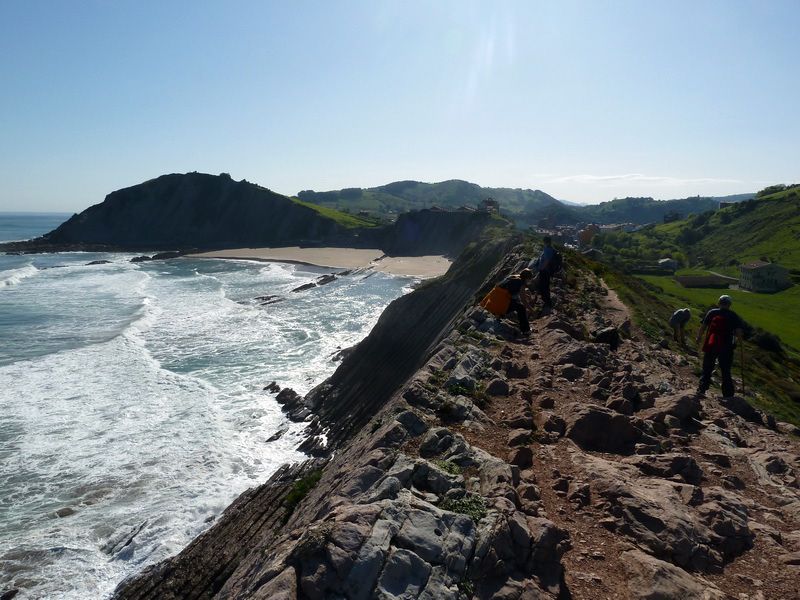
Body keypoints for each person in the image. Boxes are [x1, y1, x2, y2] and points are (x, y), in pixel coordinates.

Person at [695, 295, 744, 398]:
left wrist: (698, 337)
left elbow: (703, 327)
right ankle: (728, 394)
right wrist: (740, 344)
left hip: (711, 344)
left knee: (707, 367)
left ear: (719, 303)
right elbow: (739, 332)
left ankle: (702, 389)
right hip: (726, 347)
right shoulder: (733, 315)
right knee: (725, 370)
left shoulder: (712, 312)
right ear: (730, 304)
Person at [499, 268, 534, 336]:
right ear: (527, 278)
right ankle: (526, 330)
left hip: (496, 299)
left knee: (516, 303)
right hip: (502, 303)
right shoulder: (522, 283)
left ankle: (500, 314)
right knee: (521, 308)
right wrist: (532, 310)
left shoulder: (514, 277)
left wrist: (525, 294)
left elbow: (512, 290)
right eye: (529, 278)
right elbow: (523, 300)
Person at [530, 236, 555, 314]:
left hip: (545, 271)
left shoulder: (548, 249)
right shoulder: (549, 248)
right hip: (545, 271)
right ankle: (545, 302)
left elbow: (547, 260)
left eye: (544, 241)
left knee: (544, 286)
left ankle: (547, 303)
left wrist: (541, 268)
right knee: (543, 286)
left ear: (546, 242)